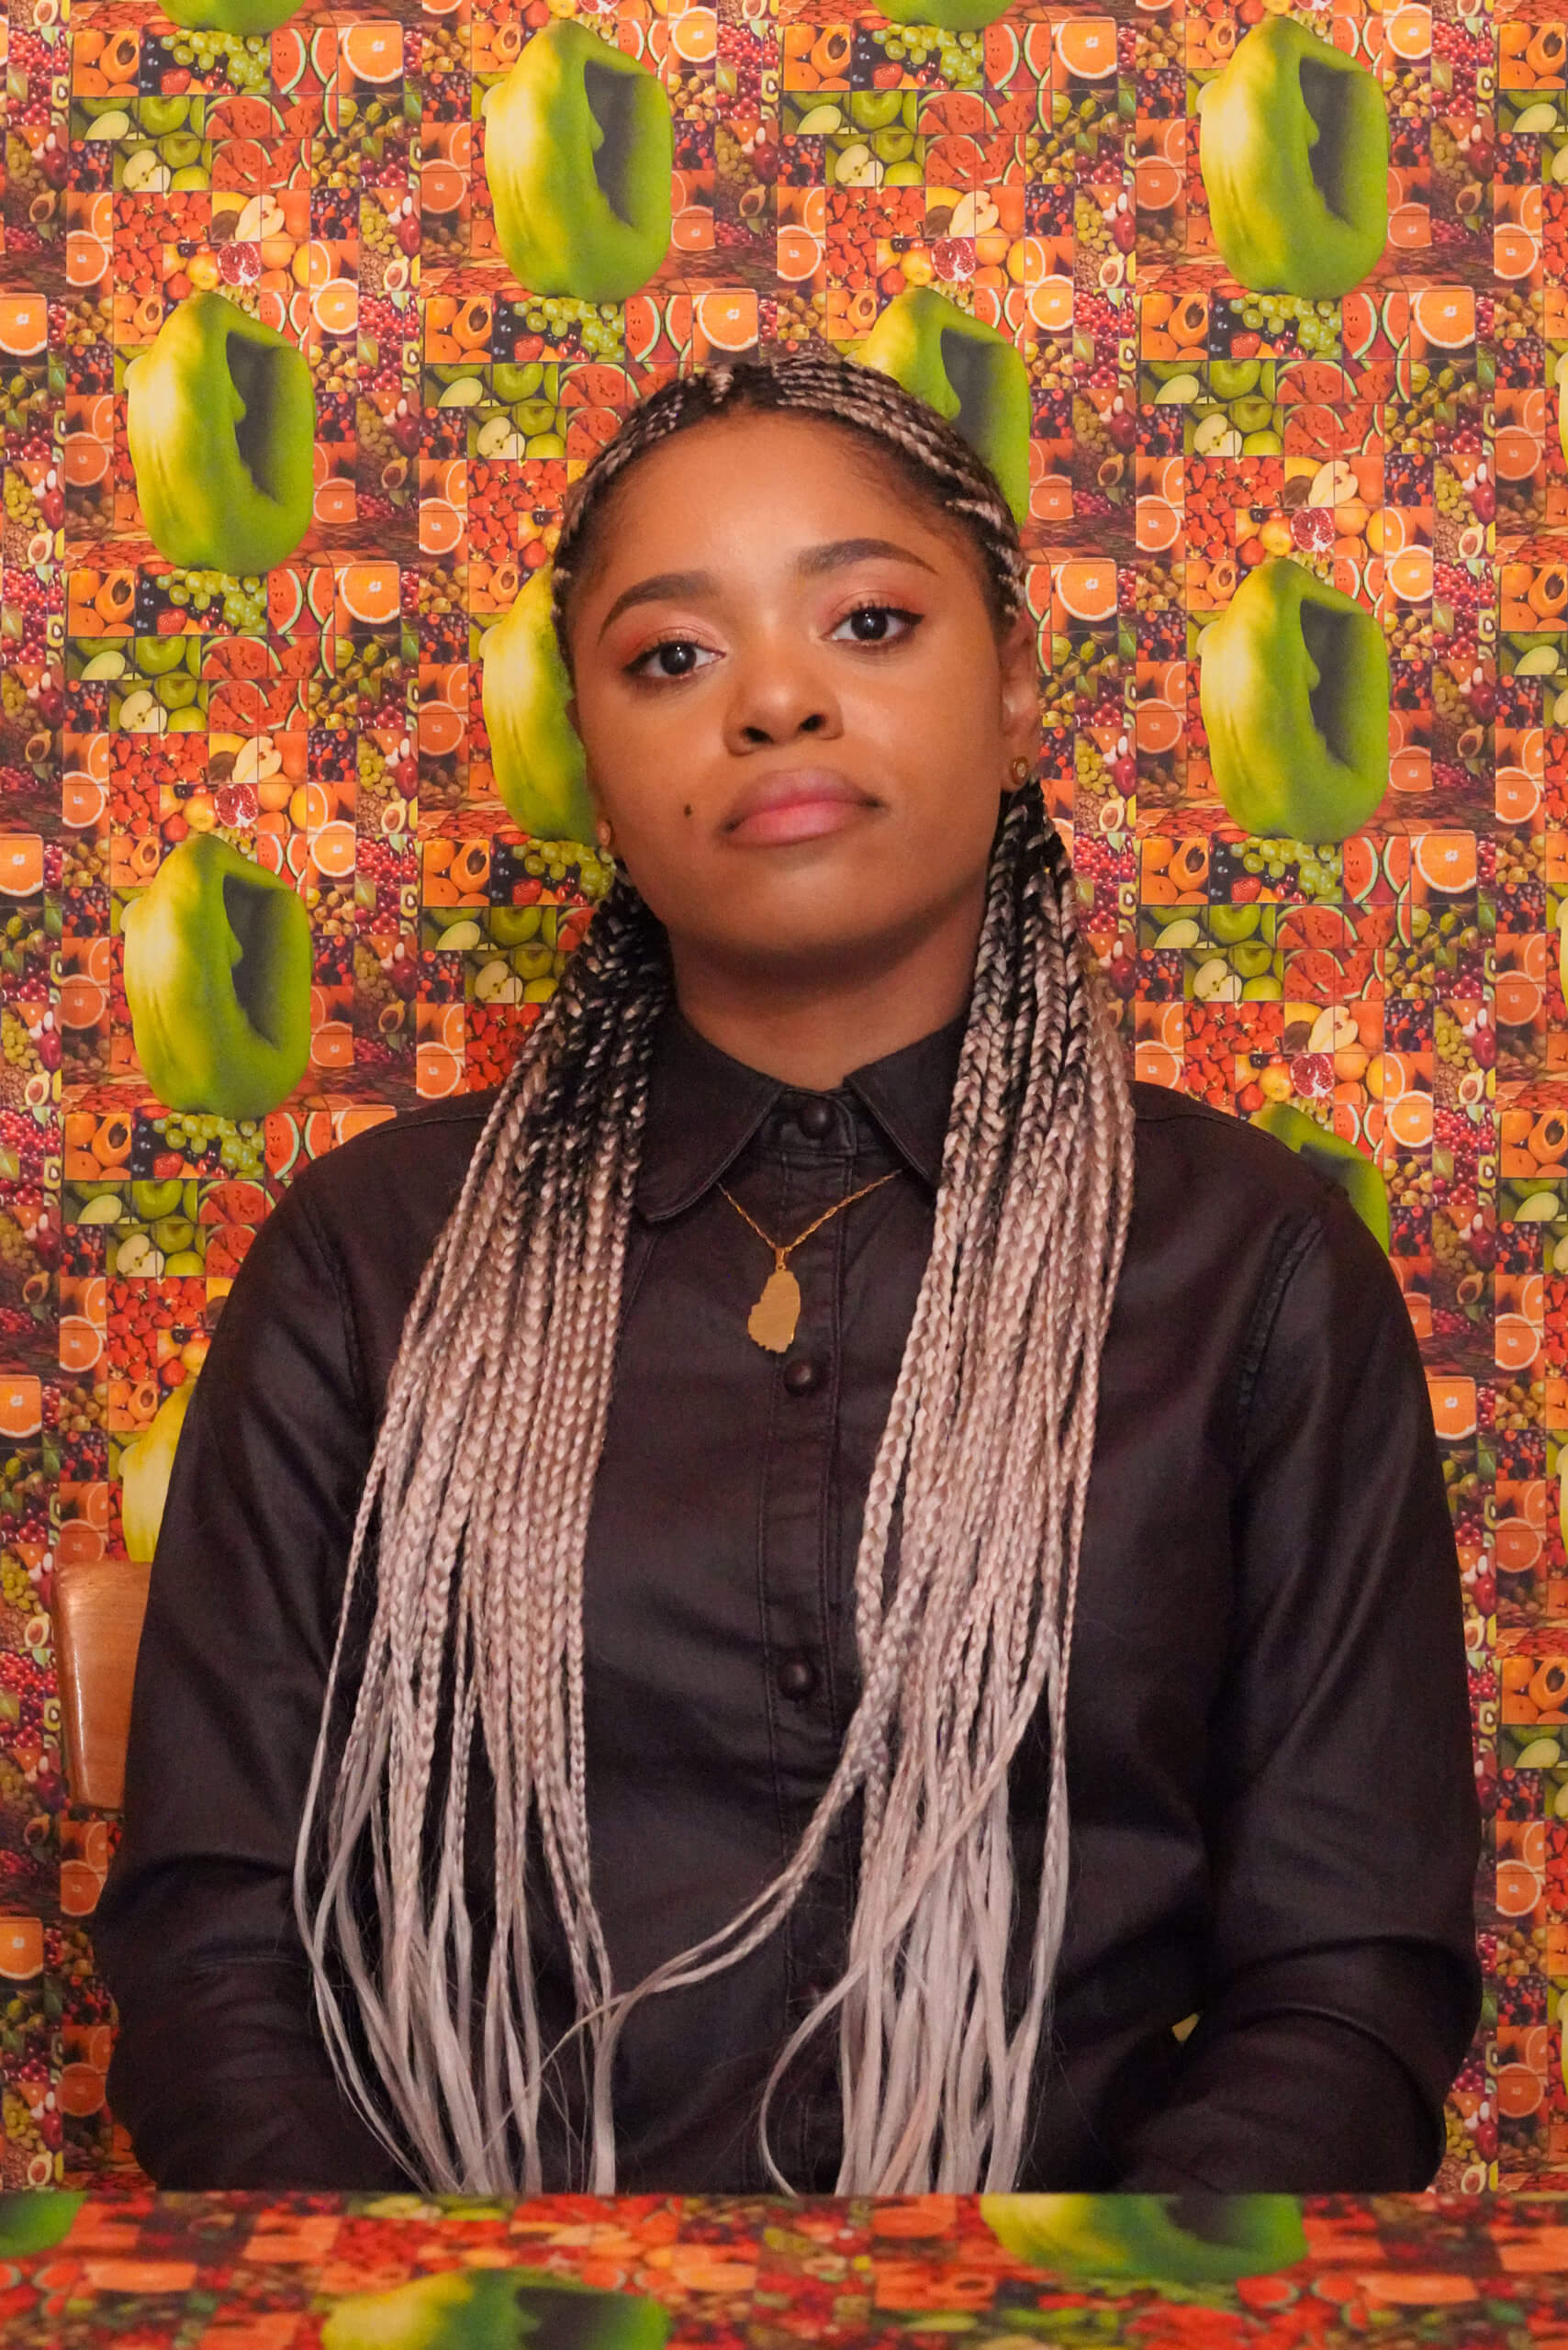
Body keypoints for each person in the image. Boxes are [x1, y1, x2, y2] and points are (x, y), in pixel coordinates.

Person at [94, 347, 1482, 2200]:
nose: (771, 700)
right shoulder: (370, 1264)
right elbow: (213, 1950)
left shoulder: (1247, 1266)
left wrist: (1063, 2331)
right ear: (589, 754)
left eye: (869, 620)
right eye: (671, 655)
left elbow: (1345, 1978)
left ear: (1009, 687)